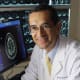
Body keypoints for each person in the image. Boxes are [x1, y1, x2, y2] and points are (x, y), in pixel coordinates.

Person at [21, 4, 80, 80]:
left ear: (58, 27)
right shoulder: (38, 49)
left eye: (45, 26)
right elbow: (29, 76)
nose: (40, 34)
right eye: (34, 28)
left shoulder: (76, 55)